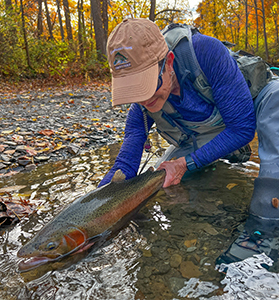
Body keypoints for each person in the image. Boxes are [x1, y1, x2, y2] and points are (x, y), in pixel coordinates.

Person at [99, 18, 279, 265]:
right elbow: (126, 164)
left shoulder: (205, 52)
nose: (144, 99)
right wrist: (96, 208)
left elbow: (243, 127)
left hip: (251, 105)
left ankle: (264, 227)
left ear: (169, 63)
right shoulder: (140, 109)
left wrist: (187, 163)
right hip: (212, 127)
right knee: (164, 178)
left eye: (147, 86)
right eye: (134, 90)